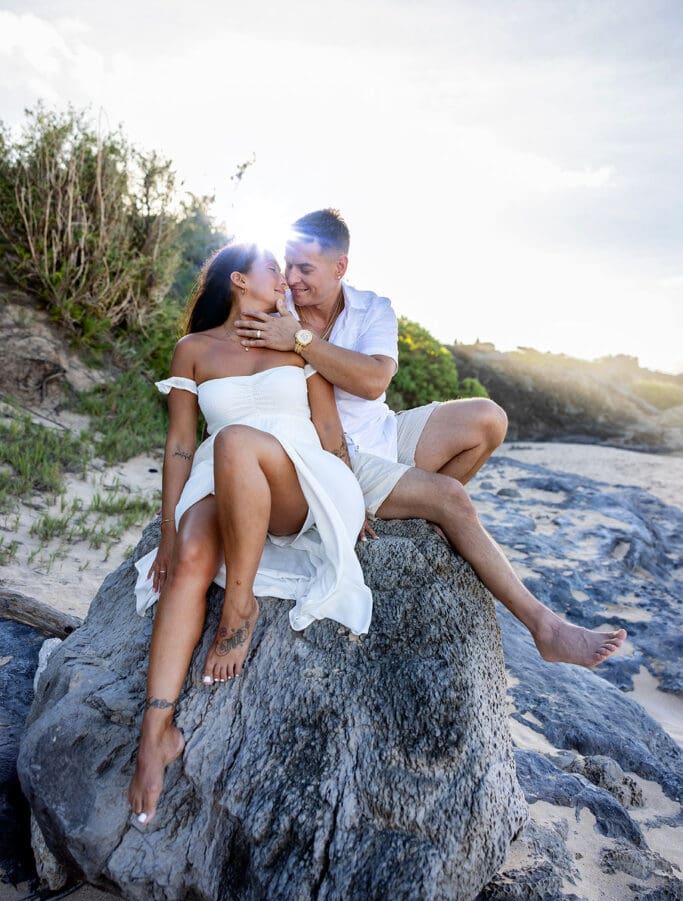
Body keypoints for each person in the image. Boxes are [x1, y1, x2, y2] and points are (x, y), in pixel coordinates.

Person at [234, 208, 627, 668]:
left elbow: (374, 382)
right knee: (452, 496)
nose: (293, 279)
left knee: (488, 418)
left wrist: (300, 340)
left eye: (306, 269)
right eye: (288, 265)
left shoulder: (370, 309)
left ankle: (426, 515)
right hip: (330, 451)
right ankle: (547, 628)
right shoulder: (278, 307)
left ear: (340, 267)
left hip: (383, 431)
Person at [128, 242, 372, 825]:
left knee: (237, 439)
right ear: (239, 280)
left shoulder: (292, 340)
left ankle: (239, 607)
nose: (285, 280)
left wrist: (354, 512)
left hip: (299, 480)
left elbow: (330, 431)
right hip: (221, 478)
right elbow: (183, 444)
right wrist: (166, 531)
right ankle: (154, 735)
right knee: (188, 556)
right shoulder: (193, 350)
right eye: (273, 270)